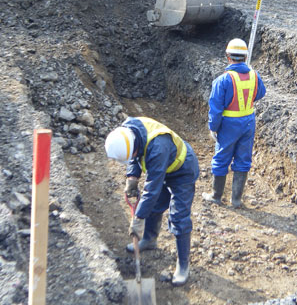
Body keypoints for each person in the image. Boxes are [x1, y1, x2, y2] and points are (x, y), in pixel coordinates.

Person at [104, 116, 199, 286]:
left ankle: (183, 266)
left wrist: (138, 218)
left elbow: (151, 189)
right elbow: (133, 156)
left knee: (179, 217)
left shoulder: (157, 147)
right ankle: (149, 240)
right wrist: (132, 177)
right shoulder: (129, 131)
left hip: (182, 171)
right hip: (163, 168)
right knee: (154, 206)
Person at [202, 38, 266, 208]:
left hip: (229, 124)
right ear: (245, 57)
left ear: (228, 56)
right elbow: (260, 94)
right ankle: (236, 200)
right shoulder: (254, 75)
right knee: (243, 159)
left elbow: (215, 109)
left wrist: (213, 128)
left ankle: (216, 196)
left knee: (221, 158)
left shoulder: (222, 80)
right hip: (248, 123)